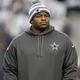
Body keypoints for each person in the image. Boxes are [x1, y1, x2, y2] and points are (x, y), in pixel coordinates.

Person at [2, 3, 77, 80]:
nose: (43, 18)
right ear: (31, 19)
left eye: (46, 16)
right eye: (39, 16)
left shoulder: (64, 40)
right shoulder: (17, 42)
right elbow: (9, 68)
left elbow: (71, 67)